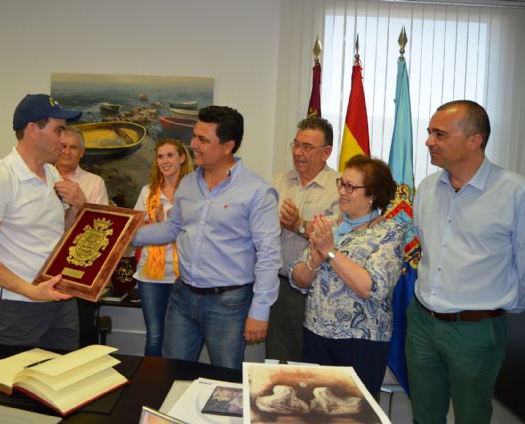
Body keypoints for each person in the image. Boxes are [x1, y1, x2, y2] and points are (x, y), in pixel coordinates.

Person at [132, 105, 281, 370]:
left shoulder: (257, 191)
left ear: (228, 146)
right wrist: (125, 237)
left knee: (224, 381)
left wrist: (260, 311)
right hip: (182, 296)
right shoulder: (188, 184)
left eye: (203, 139)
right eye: (194, 137)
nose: (193, 145)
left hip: (228, 304)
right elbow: (171, 229)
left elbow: (269, 255)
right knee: (170, 374)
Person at [406, 100, 525, 424]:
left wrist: (494, 311)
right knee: (424, 416)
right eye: (430, 132)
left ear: (474, 140)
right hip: (422, 322)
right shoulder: (428, 188)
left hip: (476, 329)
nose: (429, 141)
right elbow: (424, 248)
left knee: (472, 417)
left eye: (439, 134)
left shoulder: (514, 192)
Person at [0, 94, 86, 351]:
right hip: (19, 305)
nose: (63, 140)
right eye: (59, 130)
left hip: (61, 299)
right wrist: (31, 291)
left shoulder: (52, 172)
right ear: (33, 130)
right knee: (20, 383)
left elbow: (60, 232)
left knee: (64, 378)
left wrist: (79, 206)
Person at [289, 155, 405, 396]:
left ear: (372, 194)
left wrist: (330, 251)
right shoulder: (327, 224)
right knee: (313, 411)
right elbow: (298, 280)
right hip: (316, 334)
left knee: (352, 414)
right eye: (342, 183)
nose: (342, 190)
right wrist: (315, 260)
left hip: (361, 342)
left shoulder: (389, 232)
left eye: (351, 187)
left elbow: (370, 287)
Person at [266, 116, 340, 362]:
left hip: (316, 289)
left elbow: (337, 235)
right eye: (296, 145)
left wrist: (298, 225)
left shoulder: (339, 186)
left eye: (307, 147)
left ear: (326, 152)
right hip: (278, 285)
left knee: (311, 365)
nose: (298, 152)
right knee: (278, 362)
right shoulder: (279, 180)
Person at [133, 138, 193, 356]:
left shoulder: (193, 192)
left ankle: (174, 382)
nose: (165, 160)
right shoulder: (147, 192)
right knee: (155, 335)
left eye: (170, 155)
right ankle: (151, 385)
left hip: (184, 276)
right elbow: (134, 228)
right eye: (160, 156)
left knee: (180, 337)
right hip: (151, 276)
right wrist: (155, 223)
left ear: (182, 157)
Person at [56, 125, 109, 347]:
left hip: (82, 269)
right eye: (63, 146)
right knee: (48, 335)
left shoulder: (95, 182)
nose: (67, 151)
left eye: (73, 147)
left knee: (83, 332)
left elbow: (102, 227)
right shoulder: (39, 178)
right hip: (43, 269)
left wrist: (80, 203)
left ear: (82, 152)